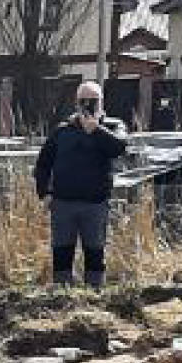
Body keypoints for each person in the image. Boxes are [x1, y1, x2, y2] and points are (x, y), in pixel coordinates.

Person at [34, 79, 128, 288]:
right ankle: (62, 294)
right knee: (62, 251)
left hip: (95, 204)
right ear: (77, 103)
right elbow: (43, 164)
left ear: (102, 102)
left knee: (95, 251)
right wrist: (45, 192)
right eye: (84, 101)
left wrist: (96, 129)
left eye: (94, 101)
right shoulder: (62, 131)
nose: (89, 105)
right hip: (63, 204)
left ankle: (94, 295)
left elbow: (119, 148)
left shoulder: (113, 126)